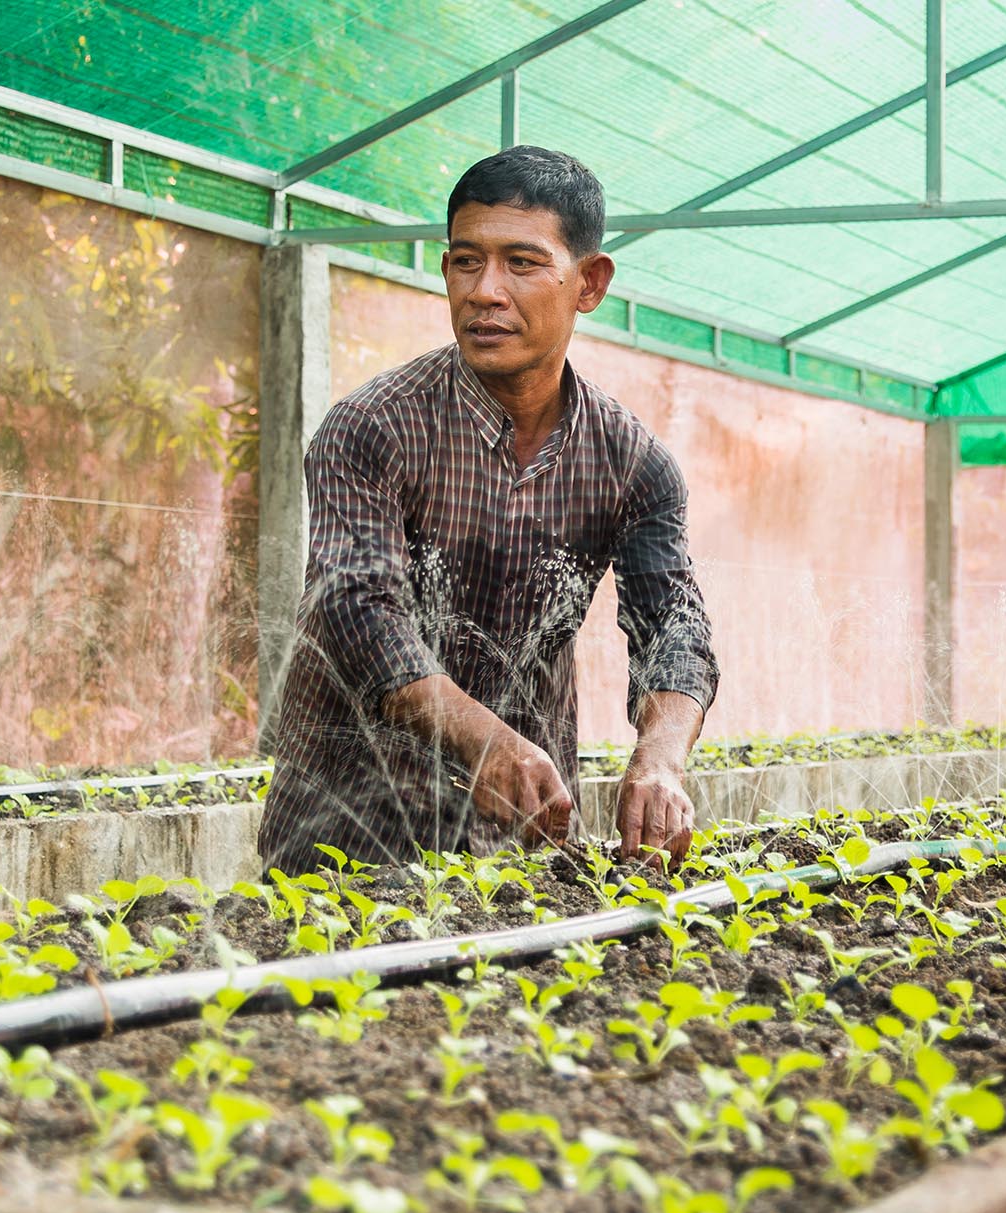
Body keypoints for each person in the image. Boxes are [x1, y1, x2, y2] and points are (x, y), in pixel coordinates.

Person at [258, 146, 717, 876]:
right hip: (346, 839)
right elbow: (357, 608)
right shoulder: (374, 428)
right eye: (466, 261)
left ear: (588, 283)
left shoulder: (633, 465)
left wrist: (660, 760)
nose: (486, 291)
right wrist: (485, 740)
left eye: (523, 263)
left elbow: (674, 627)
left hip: (521, 846)